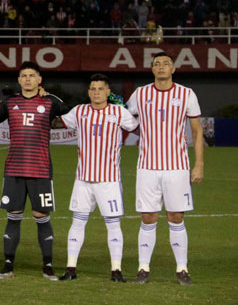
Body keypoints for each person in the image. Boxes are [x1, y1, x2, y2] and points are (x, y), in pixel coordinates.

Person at [0, 61, 70, 280]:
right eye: (24, 75)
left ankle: (48, 266)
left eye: (32, 75)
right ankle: (7, 266)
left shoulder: (50, 102)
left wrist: (52, 95)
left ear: (39, 79)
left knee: (41, 215)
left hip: (41, 169)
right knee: (13, 215)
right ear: (19, 80)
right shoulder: (10, 102)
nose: (28, 79)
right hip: (14, 169)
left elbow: (74, 115)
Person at [127, 52, 204, 285]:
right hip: (147, 167)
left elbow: (198, 131)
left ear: (173, 69)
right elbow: (122, 115)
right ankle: (143, 268)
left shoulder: (186, 94)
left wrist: (199, 163)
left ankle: (182, 268)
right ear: (152, 70)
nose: (161, 67)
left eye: (165, 64)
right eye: (156, 64)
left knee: (176, 216)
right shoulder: (140, 94)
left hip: (177, 167)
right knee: (148, 216)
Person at [57, 74, 138, 282]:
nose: (96, 92)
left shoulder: (119, 112)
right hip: (83, 179)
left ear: (108, 92)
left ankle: (116, 270)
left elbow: (140, 128)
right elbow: (58, 122)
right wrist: (47, 100)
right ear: (88, 92)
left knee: (113, 224)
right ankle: (70, 268)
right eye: (93, 88)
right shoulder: (79, 111)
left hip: (108, 180)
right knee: (77, 222)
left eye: (101, 89)